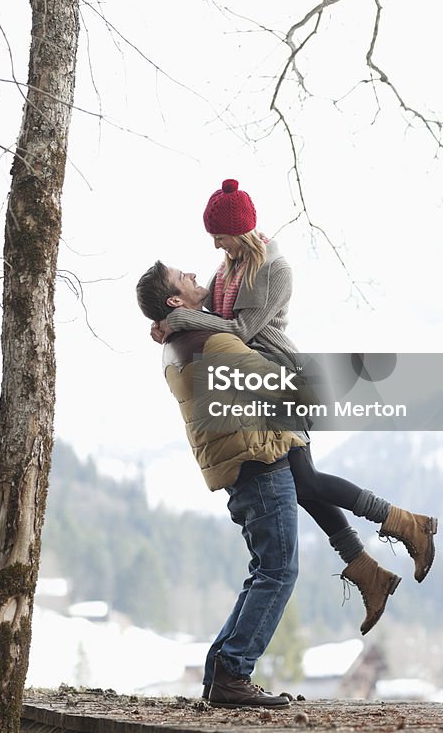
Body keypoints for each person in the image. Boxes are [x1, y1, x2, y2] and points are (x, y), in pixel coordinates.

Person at [154, 179, 438, 627]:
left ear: (240, 231)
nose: (214, 243)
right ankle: (370, 568)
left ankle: (405, 524)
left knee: (308, 480)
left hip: (284, 378)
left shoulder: (274, 270)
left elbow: (238, 332)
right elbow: (212, 322)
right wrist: (178, 322)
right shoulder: (225, 271)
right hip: (259, 391)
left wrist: (176, 318)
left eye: (220, 235)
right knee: (304, 483)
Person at [136, 261, 301, 708]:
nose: (193, 274)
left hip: (237, 467)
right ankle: (233, 675)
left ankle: (219, 673)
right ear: (175, 301)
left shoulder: (176, 343)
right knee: (279, 571)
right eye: (182, 277)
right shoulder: (212, 341)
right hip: (260, 461)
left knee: (262, 569)